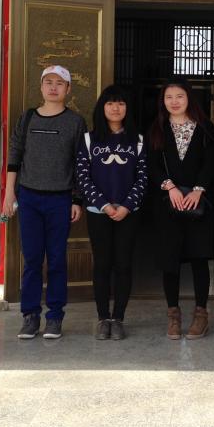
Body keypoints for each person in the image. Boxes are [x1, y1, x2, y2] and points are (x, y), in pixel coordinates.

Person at [1, 65, 86, 340]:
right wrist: (9, 194)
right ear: (41, 87)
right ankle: (30, 316)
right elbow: (14, 156)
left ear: (68, 89)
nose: (53, 87)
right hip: (29, 197)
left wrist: (77, 200)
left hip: (60, 198)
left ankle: (55, 317)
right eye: (48, 82)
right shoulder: (27, 118)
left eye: (60, 83)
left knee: (57, 259)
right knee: (32, 259)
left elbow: (81, 163)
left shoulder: (75, 122)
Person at [76, 85, 147, 341]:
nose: (115, 108)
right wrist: (104, 205)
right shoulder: (89, 139)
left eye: (121, 103)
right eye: (110, 103)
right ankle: (103, 317)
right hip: (98, 211)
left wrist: (126, 205)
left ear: (127, 108)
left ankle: (118, 318)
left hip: (129, 212)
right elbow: (82, 177)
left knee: (123, 264)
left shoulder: (138, 140)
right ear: (102, 108)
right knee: (102, 264)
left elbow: (143, 177)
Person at [147, 80, 214, 340]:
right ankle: (173, 315)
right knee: (170, 260)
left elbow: (211, 162)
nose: (174, 101)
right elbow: (151, 164)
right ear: (163, 101)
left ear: (189, 98)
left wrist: (198, 190)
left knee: (199, 258)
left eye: (180, 96)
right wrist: (170, 187)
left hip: (197, 203)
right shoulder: (157, 128)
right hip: (169, 203)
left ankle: (201, 315)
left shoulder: (205, 127)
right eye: (169, 97)